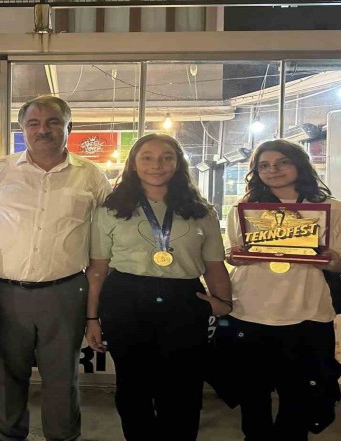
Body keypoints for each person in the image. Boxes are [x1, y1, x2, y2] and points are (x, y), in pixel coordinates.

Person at [0, 95, 111, 441]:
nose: (43, 130)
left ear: (69, 127)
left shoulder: (91, 176)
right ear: (22, 129)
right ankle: (7, 437)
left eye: (53, 122)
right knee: (6, 377)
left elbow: (111, 229)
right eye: (34, 123)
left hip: (66, 292)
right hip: (4, 293)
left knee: (62, 378)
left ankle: (63, 437)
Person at [84, 134, 232, 440]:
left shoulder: (201, 212)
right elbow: (98, 269)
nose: (157, 164)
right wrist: (92, 318)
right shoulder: (110, 210)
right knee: (132, 387)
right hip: (125, 300)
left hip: (184, 301)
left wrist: (224, 304)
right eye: (147, 157)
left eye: (167, 157)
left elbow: (215, 266)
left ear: (178, 164)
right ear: (133, 164)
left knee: (183, 388)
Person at [224, 139, 341, 441]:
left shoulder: (334, 209)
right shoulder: (243, 209)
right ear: (256, 172)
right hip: (249, 311)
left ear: (299, 164)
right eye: (264, 165)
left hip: (307, 313)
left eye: (282, 162)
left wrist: (328, 259)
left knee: (299, 397)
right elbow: (234, 254)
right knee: (252, 397)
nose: (273, 170)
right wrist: (235, 256)